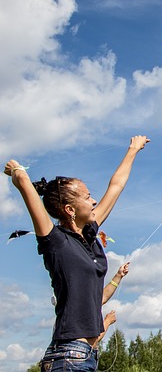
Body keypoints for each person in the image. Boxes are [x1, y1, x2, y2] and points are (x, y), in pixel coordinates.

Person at [4, 135, 150, 372]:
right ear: (70, 210)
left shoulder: (90, 236)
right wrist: (16, 170)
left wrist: (133, 149)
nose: (93, 201)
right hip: (68, 356)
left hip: (87, 356)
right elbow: (23, 182)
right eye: (87, 197)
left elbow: (116, 187)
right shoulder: (55, 241)